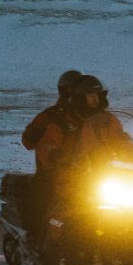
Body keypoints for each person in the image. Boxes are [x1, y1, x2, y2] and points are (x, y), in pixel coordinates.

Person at [21, 70, 84, 240]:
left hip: (90, 172)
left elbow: (115, 138)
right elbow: (29, 141)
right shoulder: (51, 116)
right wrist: (53, 153)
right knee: (44, 196)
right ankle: (37, 238)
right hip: (55, 172)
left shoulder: (95, 118)